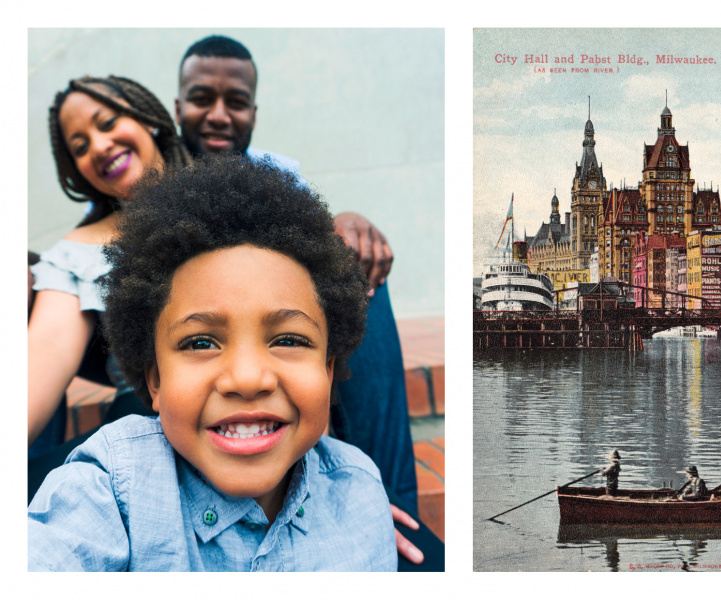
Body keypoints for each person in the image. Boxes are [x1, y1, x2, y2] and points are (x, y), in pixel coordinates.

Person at [29, 156, 396, 571]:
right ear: (155, 381)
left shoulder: (359, 492)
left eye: (289, 339)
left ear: (328, 372)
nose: (247, 378)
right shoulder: (111, 488)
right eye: (201, 342)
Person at [175, 35, 430, 566]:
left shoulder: (277, 174)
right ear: (179, 106)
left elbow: (318, 242)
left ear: (254, 112)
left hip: (273, 333)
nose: (220, 115)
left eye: (236, 102)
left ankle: (393, 508)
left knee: (357, 274)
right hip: (194, 348)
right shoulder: (157, 174)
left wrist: (348, 224)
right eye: (202, 98)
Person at [28, 76, 191, 452]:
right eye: (80, 147)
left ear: (145, 117)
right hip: (140, 440)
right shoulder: (76, 254)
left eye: (107, 123)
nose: (99, 146)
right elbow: (45, 348)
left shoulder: (236, 195)